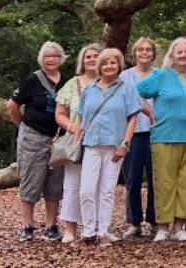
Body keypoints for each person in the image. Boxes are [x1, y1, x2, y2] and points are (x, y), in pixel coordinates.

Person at [136, 37, 186, 242]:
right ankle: (162, 227)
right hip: (164, 136)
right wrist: (150, 112)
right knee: (165, 182)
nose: (184, 55)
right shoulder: (160, 75)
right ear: (172, 55)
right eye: (179, 52)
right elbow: (135, 92)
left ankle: (179, 227)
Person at [76, 48, 141, 247]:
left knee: (106, 190)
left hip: (115, 146)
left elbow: (133, 118)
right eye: (105, 63)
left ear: (119, 65)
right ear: (99, 66)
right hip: (92, 144)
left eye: (113, 62)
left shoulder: (126, 89)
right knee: (86, 189)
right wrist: (78, 134)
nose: (108, 66)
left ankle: (103, 231)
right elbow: (81, 114)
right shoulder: (89, 89)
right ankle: (88, 230)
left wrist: (125, 143)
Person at [8, 41, 71, 242]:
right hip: (33, 136)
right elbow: (12, 106)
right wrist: (23, 127)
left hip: (58, 139)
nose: (51, 59)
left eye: (55, 56)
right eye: (47, 56)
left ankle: (51, 226)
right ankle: (28, 225)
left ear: (60, 59)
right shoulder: (32, 80)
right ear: (41, 59)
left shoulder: (68, 82)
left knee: (55, 182)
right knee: (30, 179)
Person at [53, 43, 103, 243]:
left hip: (101, 141)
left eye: (96, 56)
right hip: (76, 141)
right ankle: (70, 228)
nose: (92, 59)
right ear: (82, 60)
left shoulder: (111, 83)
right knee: (73, 185)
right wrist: (73, 128)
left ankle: (97, 227)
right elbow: (60, 113)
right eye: (88, 56)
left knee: (99, 186)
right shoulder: (72, 84)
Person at [120, 37, 158, 238]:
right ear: (134, 53)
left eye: (148, 50)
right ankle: (134, 222)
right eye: (140, 50)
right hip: (133, 133)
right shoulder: (126, 76)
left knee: (156, 179)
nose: (144, 53)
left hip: (157, 132)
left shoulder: (160, 75)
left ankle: (154, 220)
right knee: (133, 178)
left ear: (154, 54)